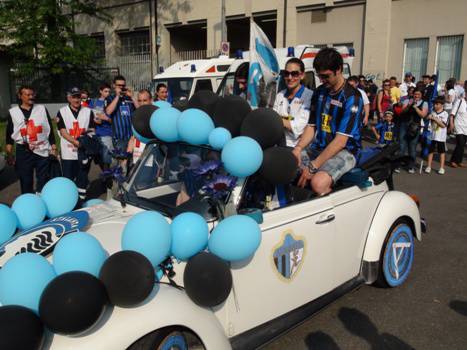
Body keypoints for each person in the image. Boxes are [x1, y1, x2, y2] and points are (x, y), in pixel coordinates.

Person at [293, 48, 363, 195]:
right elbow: (311, 126)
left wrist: (313, 167)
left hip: (345, 151)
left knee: (318, 183)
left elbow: (340, 142)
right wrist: (298, 148)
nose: (322, 80)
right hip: (320, 147)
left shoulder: (352, 97)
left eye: (326, 76)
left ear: (338, 70)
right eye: (319, 76)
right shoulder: (319, 92)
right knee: (288, 165)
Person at [5, 85, 57, 193]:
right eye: (27, 95)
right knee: (26, 181)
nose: (31, 97)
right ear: (20, 96)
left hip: (42, 148)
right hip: (23, 151)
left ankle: (42, 200)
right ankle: (28, 203)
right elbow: (9, 135)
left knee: (43, 180)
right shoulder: (13, 112)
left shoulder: (41, 109)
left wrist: (54, 147)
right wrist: (9, 154)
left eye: (32, 94)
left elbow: (49, 130)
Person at [57, 87, 96, 199]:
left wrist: (85, 140)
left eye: (78, 97)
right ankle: (68, 201)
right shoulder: (62, 112)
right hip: (68, 152)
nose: (76, 100)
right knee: (68, 179)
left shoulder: (88, 111)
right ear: (69, 98)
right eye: (74, 97)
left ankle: (81, 200)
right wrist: (75, 141)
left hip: (83, 152)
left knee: (82, 178)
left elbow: (92, 129)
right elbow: (63, 131)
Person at [273, 57, 313, 148]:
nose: (290, 78)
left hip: (299, 147)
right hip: (279, 143)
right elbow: (273, 122)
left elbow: (299, 128)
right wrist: (287, 123)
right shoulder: (280, 95)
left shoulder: (310, 96)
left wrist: (278, 120)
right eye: (286, 74)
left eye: (294, 74)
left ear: (302, 75)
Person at [105, 75, 138, 172]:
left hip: (131, 138)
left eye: (123, 85)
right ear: (113, 86)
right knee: (121, 165)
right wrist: (117, 97)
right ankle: (117, 184)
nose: (121, 87)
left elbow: (141, 110)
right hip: (119, 138)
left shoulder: (129, 98)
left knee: (132, 164)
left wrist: (132, 96)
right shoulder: (110, 98)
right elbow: (108, 111)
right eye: (119, 85)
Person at [398, 88, 428, 173]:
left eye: (418, 94)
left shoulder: (424, 103)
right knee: (402, 145)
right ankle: (398, 164)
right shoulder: (407, 100)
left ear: (421, 95)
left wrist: (416, 107)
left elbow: (423, 115)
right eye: (415, 94)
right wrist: (408, 105)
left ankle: (411, 166)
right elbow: (402, 112)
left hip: (415, 127)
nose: (416, 96)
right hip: (404, 125)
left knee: (412, 147)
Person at [89, 83, 113, 170]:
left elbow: (113, 120)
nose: (108, 93)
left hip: (107, 132)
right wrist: (94, 120)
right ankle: (105, 172)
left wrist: (106, 119)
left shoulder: (111, 102)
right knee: (98, 156)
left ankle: (107, 176)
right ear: (100, 91)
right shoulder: (94, 102)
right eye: (106, 91)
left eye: (109, 92)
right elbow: (89, 115)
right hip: (95, 132)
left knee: (106, 156)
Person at [127, 89, 153, 165]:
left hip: (151, 153)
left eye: (145, 100)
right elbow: (134, 133)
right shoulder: (136, 115)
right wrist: (130, 146)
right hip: (137, 153)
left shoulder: (156, 115)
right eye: (139, 100)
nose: (142, 103)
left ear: (150, 100)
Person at [425, 96, 448, 174]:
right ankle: (428, 166)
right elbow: (428, 121)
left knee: (441, 152)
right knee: (430, 151)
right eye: (434, 104)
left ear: (442, 104)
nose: (435, 105)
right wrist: (428, 118)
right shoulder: (433, 112)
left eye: (437, 104)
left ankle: (441, 168)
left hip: (441, 137)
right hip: (432, 136)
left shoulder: (445, 114)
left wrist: (435, 119)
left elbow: (443, 125)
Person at [449, 93, 467, 168]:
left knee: (462, 145)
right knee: (460, 143)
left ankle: (458, 161)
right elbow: (452, 114)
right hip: (458, 125)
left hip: (466, 127)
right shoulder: (459, 101)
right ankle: (453, 161)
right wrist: (451, 123)